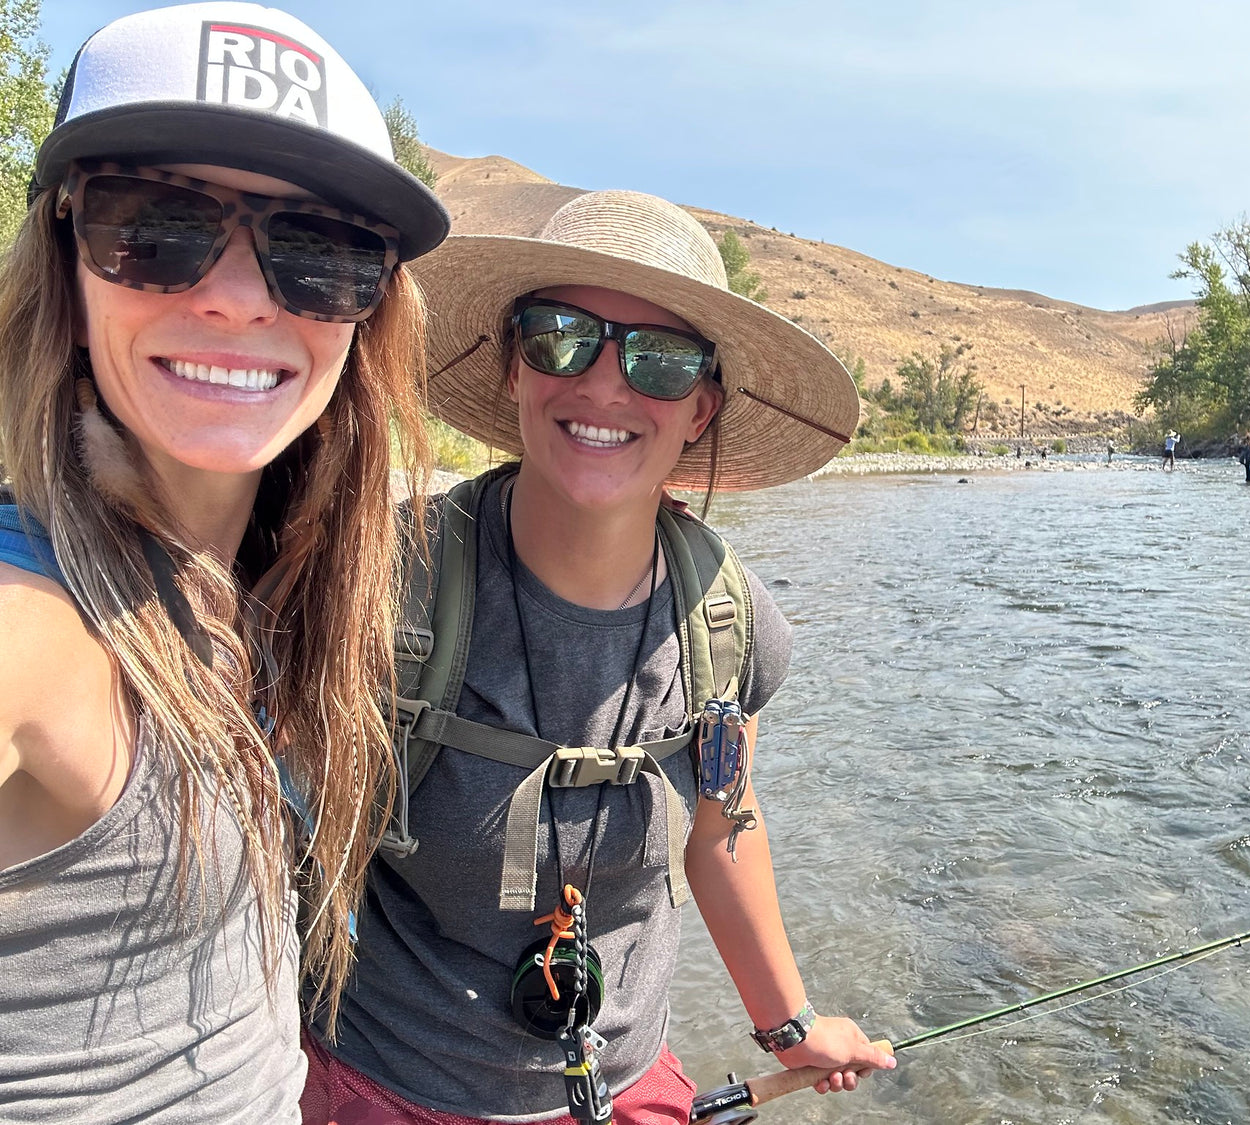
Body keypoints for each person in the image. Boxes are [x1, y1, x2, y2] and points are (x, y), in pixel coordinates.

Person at [299, 190, 895, 1125]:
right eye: (562, 336)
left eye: (660, 359)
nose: (606, 385)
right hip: (385, 1082)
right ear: (512, 368)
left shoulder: (731, 622)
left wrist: (791, 1025)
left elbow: (721, 825)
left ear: (702, 409)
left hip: (621, 1087)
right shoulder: (381, 576)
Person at [0, 5, 448, 1121]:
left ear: (369, 312)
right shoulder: (33, 621)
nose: (239, 297)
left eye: (320, 250)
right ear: (64, 250)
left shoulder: (262, 576)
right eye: (155, 223)